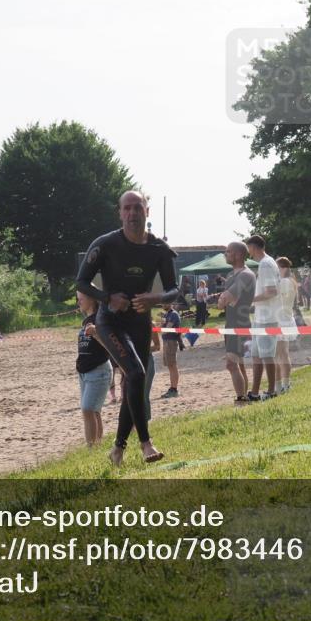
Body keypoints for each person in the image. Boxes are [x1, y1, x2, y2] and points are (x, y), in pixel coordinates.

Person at [76, 190, 179, 466]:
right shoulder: (105, 244)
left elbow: (174, 289)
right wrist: (108, 298)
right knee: (136, 372)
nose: (133, 213)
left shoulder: (158, 248)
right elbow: (82, 282)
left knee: (134, 381)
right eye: (127, 208)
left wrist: (155, 299)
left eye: (138, 208)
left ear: (147, 211)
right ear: (120, 213)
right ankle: (146, 443)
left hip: (140, 322)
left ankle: (117, 450)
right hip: (110, 321)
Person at [215, 242, 257, 403]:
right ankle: (244, 397)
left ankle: (241, 399)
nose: (225, 254)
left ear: (239, 254)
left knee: (231, 364)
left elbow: (226, 299)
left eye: (228, 251)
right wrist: (225, 299)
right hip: (231, 324)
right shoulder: (231, 275)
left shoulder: (246, 275)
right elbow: (222, 303)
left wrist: (225, 299)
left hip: (240, 324)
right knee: (239, 365)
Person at [244, 235, 281, 400]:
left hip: (268, 318)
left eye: (249, 248)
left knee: (266, 356)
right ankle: (254, 392)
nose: (248, 252)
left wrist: (250, 299)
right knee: (257, 356)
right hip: (261, 317)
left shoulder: (266, 264)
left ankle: (271, 391)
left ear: (253, 247)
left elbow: (271, 292)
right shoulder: (266, 263)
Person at [75, 292, 112, 447]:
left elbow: (111, 345)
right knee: (94, 411)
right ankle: (97, 445)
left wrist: (96, 333)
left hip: (99, 370)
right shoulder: (86, 320)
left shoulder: (100, 318)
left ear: (91, 299)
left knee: (88, 409)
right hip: (84, 372)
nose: (78, 302)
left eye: (81, 299)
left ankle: (91, 448)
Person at [274, 257, 298, 393]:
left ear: (282, 268)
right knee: (280, 354)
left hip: (281, 320)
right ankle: (280, 386)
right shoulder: (288, 281)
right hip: (284, 319)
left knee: (281, 355)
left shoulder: (284, 282)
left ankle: (284, 385)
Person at [159, 304, 182, 398]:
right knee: (170, 365)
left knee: (172, 365)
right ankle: (172, 388)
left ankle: (174, 389)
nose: (163, 305)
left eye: (165, 303)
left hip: (171, 342)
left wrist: (161, 326)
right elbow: (162, 328)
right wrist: (161, 323)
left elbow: (166, 330)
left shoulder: (173, 314)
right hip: (166, 341)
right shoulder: (167, 314)